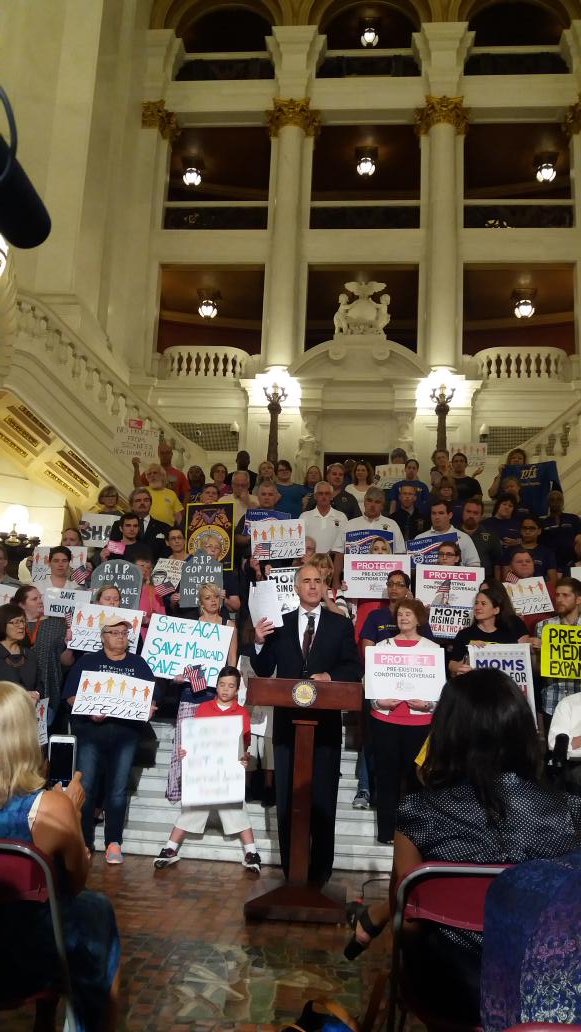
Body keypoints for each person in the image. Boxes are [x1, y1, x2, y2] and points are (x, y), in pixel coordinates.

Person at [346, 669, 581, 1026]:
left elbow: (407, 921)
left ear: (447, 732)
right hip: (547, 994)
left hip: (453, 992)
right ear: (522, 729)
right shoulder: (571, 813)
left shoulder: (418, 814)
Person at [0, 681, 121, 1030]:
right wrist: (72, 811)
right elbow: (76, 882)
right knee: (96, 910)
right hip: (28, 959)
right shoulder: (51, 808)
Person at [251, 563, 363, 884]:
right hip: (288, 728)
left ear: (325, 587)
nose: (313, 586)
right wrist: (258, 641)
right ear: (296, 587)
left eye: (318, 581)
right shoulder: (280, 624)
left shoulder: (340, 625)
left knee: (323, 798)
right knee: (288, 800)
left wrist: (330, 676)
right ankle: (293, 872)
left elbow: (353, 667)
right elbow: (263, 668)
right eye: (307, 581)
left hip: (325, 728)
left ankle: (320, 873)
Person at [64, 614, 158, 864]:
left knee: (118, 789)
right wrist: (89, 710)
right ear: (103, 636)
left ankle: (114, 842)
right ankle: (84, 842)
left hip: (125, 735)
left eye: (124, 633)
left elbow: (151, 696)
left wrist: (149, 707)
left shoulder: (138, 664)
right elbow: (70, 696)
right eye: (115, 633)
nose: (121, 638)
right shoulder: (88, 662)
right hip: (90, 734)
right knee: (86, 787)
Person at [153, 666, 261, 872]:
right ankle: (170, 848)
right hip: (205, 770)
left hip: (227, 772)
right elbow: (196, 738)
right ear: (216, 686)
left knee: (237, 808)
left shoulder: (242, 713)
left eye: (231, 686)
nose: (225, 689)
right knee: (192, 808)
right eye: (222, 685)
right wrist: (186, 752)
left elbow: (244, 745)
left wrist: (244, 758)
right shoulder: (203, 708)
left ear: (237, 689)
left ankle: (251, 853)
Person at [368, 598, 440, 843]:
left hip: (420, 723)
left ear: (419, 619)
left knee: (416, 779)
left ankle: (413, 835)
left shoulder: (432, 649)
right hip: (385, 720)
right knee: (386, 777)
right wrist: (378, 702)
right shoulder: (382, 646)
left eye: (408, 614)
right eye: (400, 614)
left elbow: (439, 691)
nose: (403, 618)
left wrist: (428, 704)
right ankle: (386, 832)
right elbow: (370, 682)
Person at [13, 584, 75, 724]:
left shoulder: (57, 625)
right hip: (16, 692)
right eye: (34, 599)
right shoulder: (11, 626)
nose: (40, 601)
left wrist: (70, 646)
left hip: (48, 691)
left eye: (40, 597)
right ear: (22, 605)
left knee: (42, 735)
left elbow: (66, 662)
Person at [448, 585, 528, 675]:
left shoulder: (508, 636)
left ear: (496, 610)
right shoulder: (464, 634)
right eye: (476, 603)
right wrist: (466, 660)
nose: (478, 607)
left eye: (483, 604)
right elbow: (452, 665)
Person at [534, 577, 581, 729]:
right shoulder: (543, 627)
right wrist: (536, 654)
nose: (559, 599)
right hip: (552, 701)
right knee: (553, 744)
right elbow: (537, 669)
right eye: (557, 595)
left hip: (579, 699)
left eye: (565, 595)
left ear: (578, 599)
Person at [412, 500, 480, 566]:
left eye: (441, 513)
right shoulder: (419, 538)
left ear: (450, 515)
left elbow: (474, 565)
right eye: (434, 513)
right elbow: (412, 567)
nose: (437, 517)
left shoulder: (464, 538)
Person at [109, 487, 169, 561]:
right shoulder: (118, 524)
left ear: (150, 504)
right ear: (131, 505)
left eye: (146, 500)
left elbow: (166, 553)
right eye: (138, 500)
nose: (142, 503)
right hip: (126, 565)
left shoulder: (164, 527)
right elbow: (114, 551)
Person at [0, 603, 43, 700]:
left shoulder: (30, 655)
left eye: (23, 621)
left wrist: (36, 695)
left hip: (29, 707)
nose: (21, 626)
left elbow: (39, 686)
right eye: (16, 622)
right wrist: (21, 696)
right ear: (2, 624)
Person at [502, 514, 557, 586]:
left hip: (540, 590)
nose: (527, 532)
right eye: (524, 528)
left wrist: (537, 588)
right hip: (515, 589)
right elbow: (505, 577)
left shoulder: (547, 553)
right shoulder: (510, 550)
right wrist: (524, 587)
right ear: (520, 530)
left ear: (539, 531)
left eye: (532, 528)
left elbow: (553, 580)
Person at [457, 499, 502, 581]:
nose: (471, 515)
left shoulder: (490, 535)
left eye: (475, 513)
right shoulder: (453, 533)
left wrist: (497, 583)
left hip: (485, 579)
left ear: (481, 516)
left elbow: (497, 563)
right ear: (463, 512)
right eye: (468, 511)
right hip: (458, 579)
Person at [302, 481, 348, 554]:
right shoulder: (304, 516)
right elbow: (300, 543)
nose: (324, 496)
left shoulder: (341, 517)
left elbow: (345, 542)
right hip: (311, 559)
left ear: (331, 496)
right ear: (315, 496)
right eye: (320, 493)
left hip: (334, 559)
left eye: (327, 493)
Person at [540, 489, 580, 572]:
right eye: (552, 500)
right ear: (548, 503)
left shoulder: (573, 518)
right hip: (551, 563)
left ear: (563, 501)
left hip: (573, 561)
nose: (556, 502)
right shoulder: (542, 523)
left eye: (559, 499)